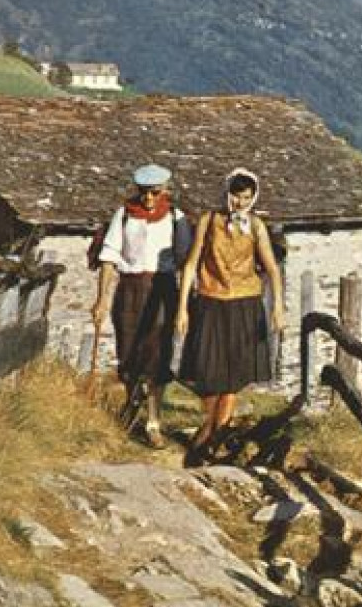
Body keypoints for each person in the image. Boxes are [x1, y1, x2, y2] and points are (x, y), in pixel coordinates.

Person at [175, 167, 285, 465]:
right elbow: (191, 264)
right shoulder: (209, 221)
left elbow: (272, 269)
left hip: (245, 304)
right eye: (236, 196)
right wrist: (182, 307)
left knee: (234, 376)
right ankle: (209, 428)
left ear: (254, 198)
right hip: (210, 301)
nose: (240, 203)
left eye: (246, 198)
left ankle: (213, 438)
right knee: (209, 375)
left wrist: (278, 307)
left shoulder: (257, 226)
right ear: (227, 194)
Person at [91, 163, 192, 448]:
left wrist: (184, 304)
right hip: (130, 290)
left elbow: (187, 263)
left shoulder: (176, 218)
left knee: (157, 356)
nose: (149, 199)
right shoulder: (124, 215)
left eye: (155, 193)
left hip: (162, 290)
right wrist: (101, 299)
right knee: (129, 351)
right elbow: (109, 258)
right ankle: (130, 406)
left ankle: (153, 421)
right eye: (144, 193)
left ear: (165, 190)